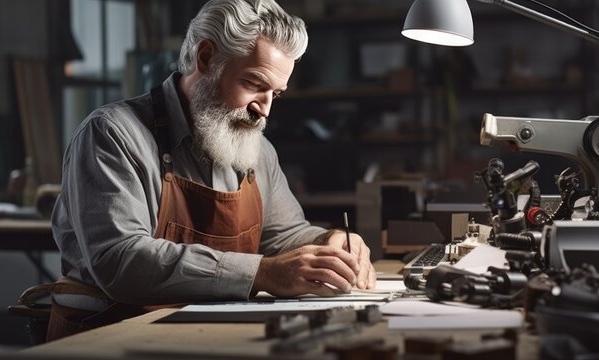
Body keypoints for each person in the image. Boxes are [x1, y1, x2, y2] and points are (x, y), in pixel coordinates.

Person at [47, 0, 376, 341]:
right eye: (254, 84)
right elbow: (119, 261)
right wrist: (262, 273)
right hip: (107, 337)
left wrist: (327, 244)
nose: (264, 110)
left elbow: (281, 236)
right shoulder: (111, 133)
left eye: (275, 94)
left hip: (204, 335)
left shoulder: (257, 150)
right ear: (205, 58)